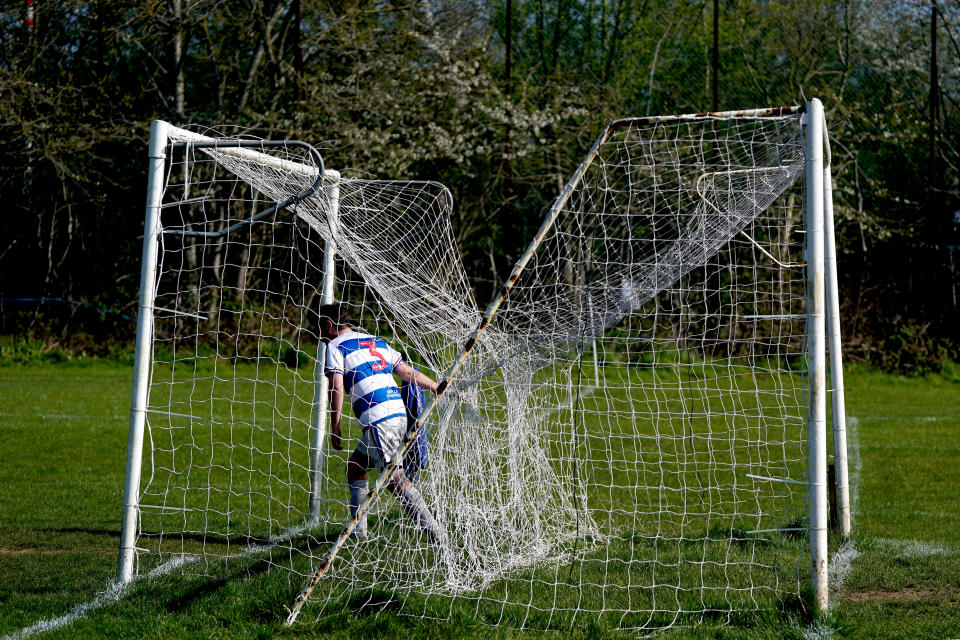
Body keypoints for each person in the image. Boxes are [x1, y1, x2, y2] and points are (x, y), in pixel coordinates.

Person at [317, 303, 445, 543]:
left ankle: (436, 534)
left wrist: (335, 426)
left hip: (378, 420)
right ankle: (359, 534)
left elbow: (336, 386)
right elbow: (407, 372)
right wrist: (436, 386)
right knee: (356, 466)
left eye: (320, 330)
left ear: (329, 325)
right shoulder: (374, 340)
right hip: (397, 413)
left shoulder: (335, 346)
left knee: (394, 480)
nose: (321, 336)